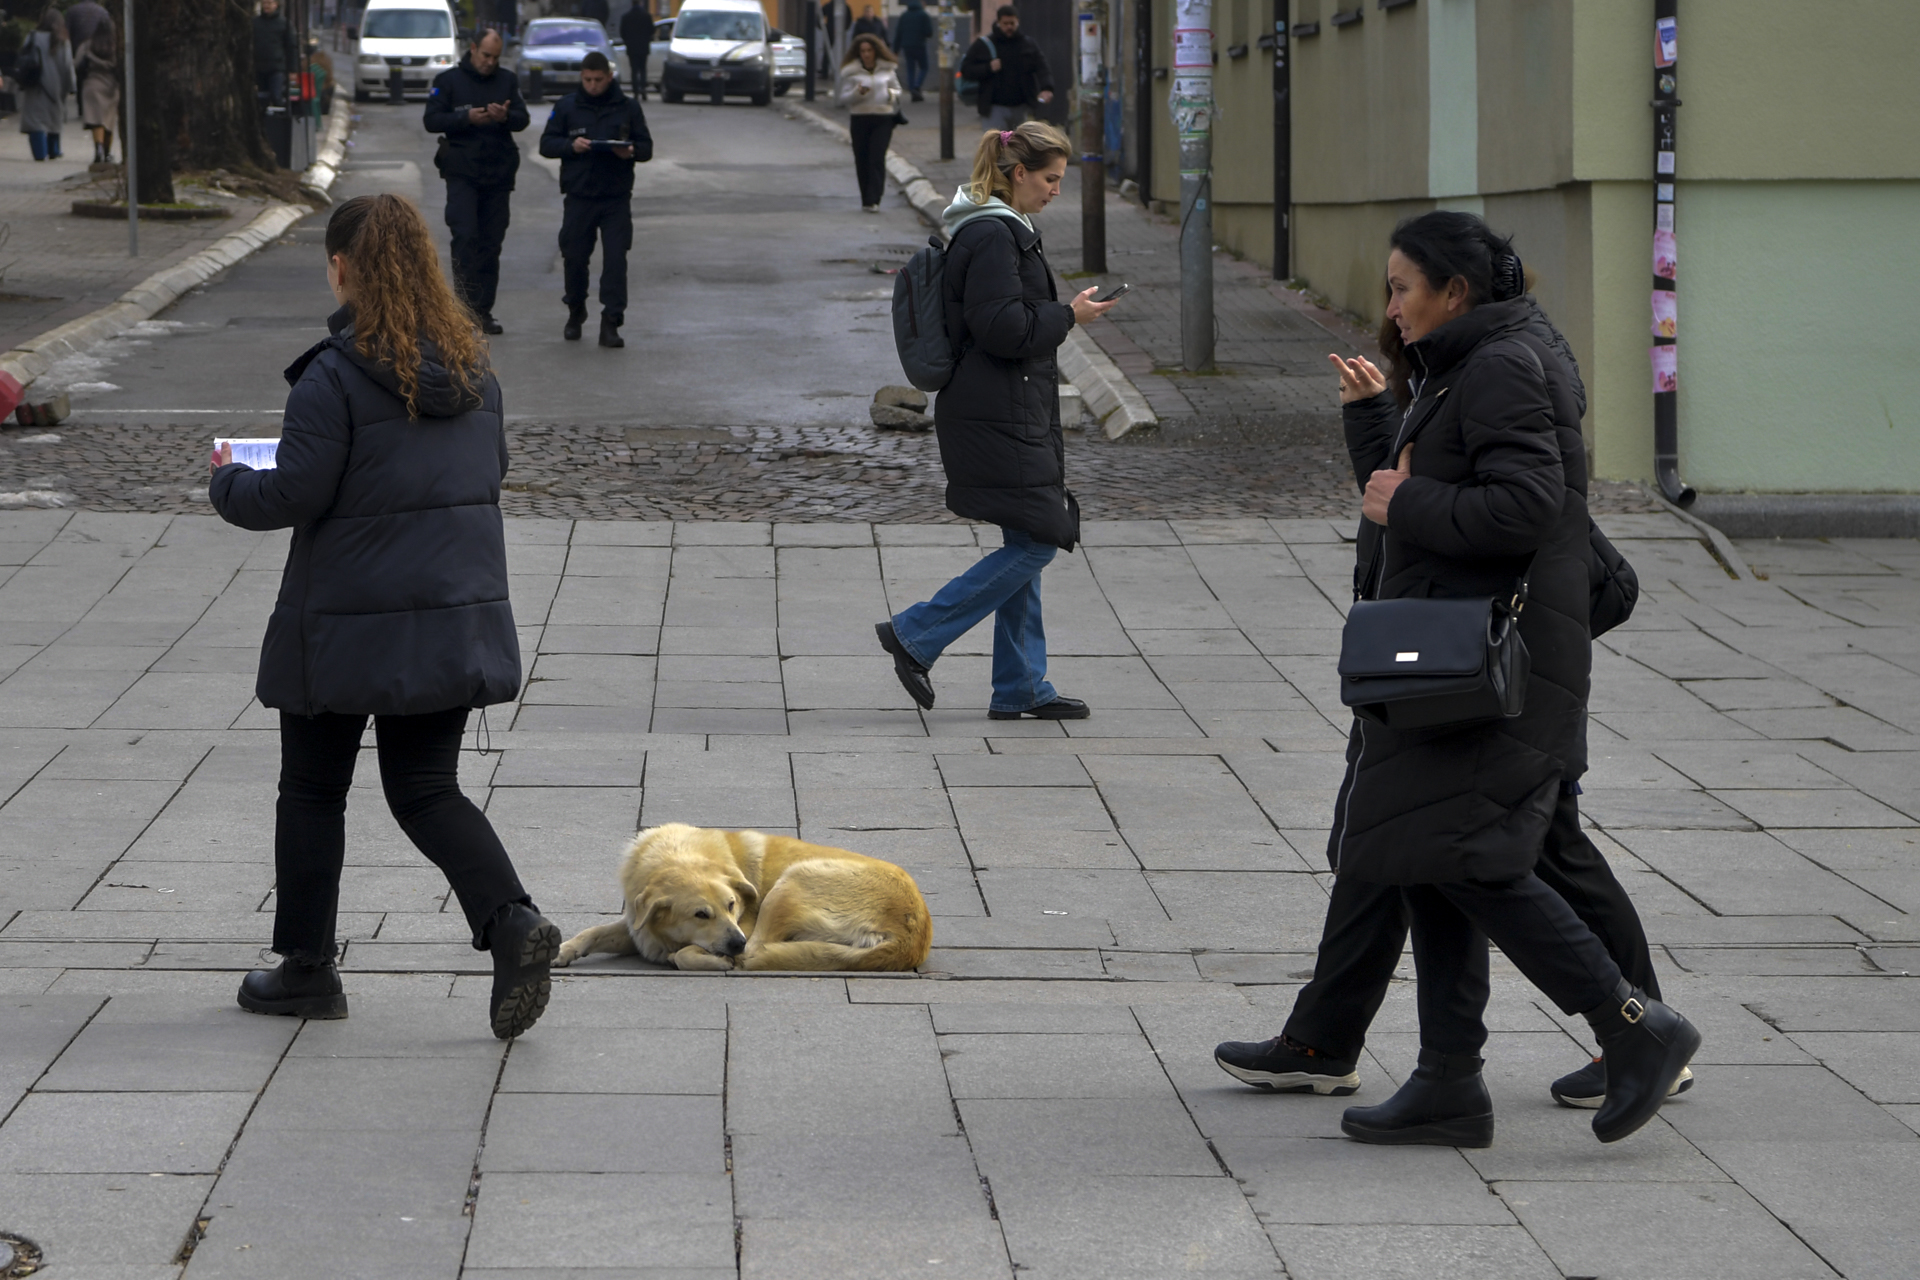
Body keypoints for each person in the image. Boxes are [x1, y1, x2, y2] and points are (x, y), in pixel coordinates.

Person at [1218, 212, 1699, 1149]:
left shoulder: (1505, 365)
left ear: (1456, 290)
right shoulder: (1470, 362)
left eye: (1402, 288)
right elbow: (1410, 491)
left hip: (1493, 666)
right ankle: (1447, 1082)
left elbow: (1523, 506)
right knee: (1424, 857)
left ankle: (1635, 1025)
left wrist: (1410, 496)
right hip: (1449, 658)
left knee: (1471, 858)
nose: (1390, 308)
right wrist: (1380, 441)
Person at [207, 193, 561, 1041]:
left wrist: (227, 478)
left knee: (313, 789)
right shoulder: (477, 374)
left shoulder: (332, 377)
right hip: (448, 618)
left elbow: (293, 492)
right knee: (427, 789)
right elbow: (488, 472)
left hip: (342, 624)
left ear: (342, 269)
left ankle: (305, 970)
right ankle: (512, 920)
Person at [876, 123, 1118, 721]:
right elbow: (1003, 328)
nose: (1057, 190)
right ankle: (917, 633)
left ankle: (1020, 686)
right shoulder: (991, 234)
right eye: (1050, 179)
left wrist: (1063, 313)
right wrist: (1070, 316)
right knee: (1042, 537)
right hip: (996, 411)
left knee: (1026, 535)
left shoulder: (998, 228)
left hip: (1006, 406)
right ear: (1018, 174)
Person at [538, 51, 652, 348]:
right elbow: (546, 144)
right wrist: (570, 145)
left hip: (615, 197)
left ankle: (611, 321)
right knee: (574, 258)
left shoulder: (627, 107)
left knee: (615, 260)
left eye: (598, 80)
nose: (592, 85)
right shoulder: (566, 107)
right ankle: (576, 311)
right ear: (581, 77)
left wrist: (630, 152)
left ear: (609, 77)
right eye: (587, 79)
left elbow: (646, 147)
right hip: (580, 196)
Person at [424, 29, 530, 336]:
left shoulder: (507, 80)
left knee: (490, 243)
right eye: (486, 56)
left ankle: (482, 311)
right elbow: (432, 121)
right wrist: (466, 118)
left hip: (498, 174)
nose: (490, 62)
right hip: (462, 173)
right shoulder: (448, 81)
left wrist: (504, 116)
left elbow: (522, 119)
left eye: (495, 57)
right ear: (473, 49)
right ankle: (461, 309)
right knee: (465, 238)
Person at [961, 4, 1052, 132]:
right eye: (1005, 23)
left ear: (1017, 22)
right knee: (997, 148)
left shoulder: (1028, 44)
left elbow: (1042, 67)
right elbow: (966, 69)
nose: (1009, 27)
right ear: (998, 23)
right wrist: (987, 68)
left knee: (1020, 148)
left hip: (1022, 106)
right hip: (994, 107)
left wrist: (1047, 88)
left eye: (1012, 23)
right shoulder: (984, 45)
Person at [837, 33, 901, 213]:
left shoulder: (887, 69)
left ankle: (875, 198)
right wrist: (858, 93)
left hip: (883, 118)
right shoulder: (852, 72)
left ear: (876, 51)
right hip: (860, 118)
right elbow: (843, 98)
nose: (866, 54)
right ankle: (866, 198)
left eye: (869, 50)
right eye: (863, 51)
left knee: (876, 157)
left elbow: (898, 90)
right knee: (862, 158)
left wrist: (890, 95)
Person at [16, 9, 74, 162]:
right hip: (56, 87)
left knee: (36, 121)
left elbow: (23, 57)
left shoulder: (33, 36)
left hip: (35, 85)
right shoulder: (63, 41)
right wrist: (70, 86)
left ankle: (40, 153)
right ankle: (54, 149)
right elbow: (68, 67)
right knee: (54, 119)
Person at [75, 17, 117, 166]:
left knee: (96, 120)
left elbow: (78, 63)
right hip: (111, 85)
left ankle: (98, 148)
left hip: (92, 84)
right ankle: (107, 151)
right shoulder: (116, 46)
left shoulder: (88, 45)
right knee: (108, 120)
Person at [253, 0, 299, 106]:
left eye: (269, 3)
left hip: (277, 68)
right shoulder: (255, 23)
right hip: (259, 68)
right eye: (264, 3)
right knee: (261, 97)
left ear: (276, 4)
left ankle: (279, 118)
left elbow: (291, 47)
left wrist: (293, 70)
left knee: (276, 95)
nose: (266, 6)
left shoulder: (284, 24)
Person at [892, 0, 933, 102]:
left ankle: (912, 91)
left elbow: (898, 33)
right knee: (924, 67)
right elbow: (929, 32)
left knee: (910, 69)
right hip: (920, 45)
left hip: (907, 46)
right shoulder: (924, 15)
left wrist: (895, 50)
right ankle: (916, 86)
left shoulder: (904, 16)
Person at [619, 0, 654, 100]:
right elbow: (652, 30)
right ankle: (643, 89)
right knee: (643, 69)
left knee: (634, 70)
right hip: (643, 47)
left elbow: (622, 32)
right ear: (640, 3)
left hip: (632, 48)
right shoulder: (646, 16)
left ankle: (635, 92)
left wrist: (628, 41)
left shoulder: (626, 17)